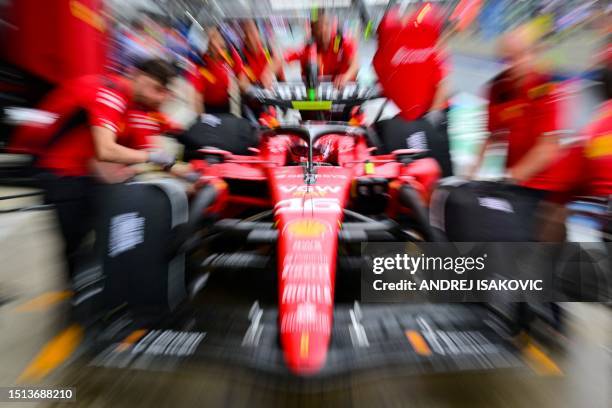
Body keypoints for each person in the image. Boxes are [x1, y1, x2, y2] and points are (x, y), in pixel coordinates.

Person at [10, 59, 179, 278]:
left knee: (110, 238)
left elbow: (145, 151)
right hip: (63, 175)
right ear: (137, 75)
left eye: (164, 92)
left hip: (83, 174)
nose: (159, 97)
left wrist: (177, 168)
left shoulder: (134, 105)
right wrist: (152, 158)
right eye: (156, 89)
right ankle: (81, 299)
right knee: (78, 251)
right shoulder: (111, 92)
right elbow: (106, 150)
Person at [372, 3, 453, 176]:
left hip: (433, 113)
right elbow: (385, 77)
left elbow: (442, 82)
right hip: (409, 115)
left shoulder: (428, 45)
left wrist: (434, 114)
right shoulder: (388, 50)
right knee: (411, 164)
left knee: (437, 165)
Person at [283, 11, 359, 87]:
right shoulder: (308, 49)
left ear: (331, 26)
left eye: (326, 25)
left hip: (345, 91)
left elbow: (355, 65)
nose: (323, 30)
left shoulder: (342, 42)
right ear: (313, 30)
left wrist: (345, 77)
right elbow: (281, 59)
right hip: (318, 94)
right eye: (319, 27)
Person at [186, 25, 248, 114]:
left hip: (230, 104)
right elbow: (196, 98)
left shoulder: (228, 51)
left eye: (216, 36)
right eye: (210, 38)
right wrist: (202, 120)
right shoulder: (198, 61)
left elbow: (241, 74)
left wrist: (243, 87)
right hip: (209, 109)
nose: (215, 44)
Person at [239, 19, 283, 88]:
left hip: (274, 87)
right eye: (245, 33)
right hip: (257, 92)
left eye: (251, 31)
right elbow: (243, 79)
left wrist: (268, 72)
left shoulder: (265, 46)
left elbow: (277, 59)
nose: (250, 38)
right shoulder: (243, 56)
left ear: (258, 31)